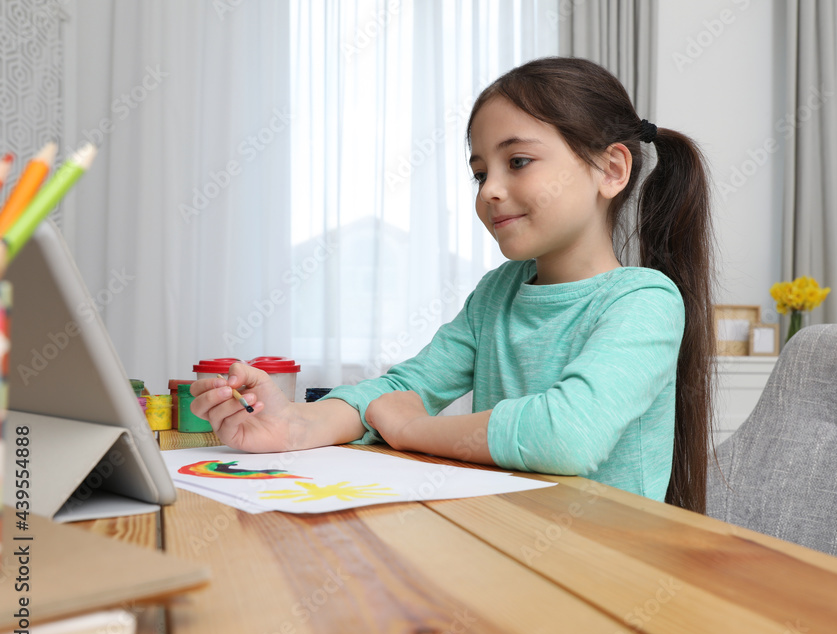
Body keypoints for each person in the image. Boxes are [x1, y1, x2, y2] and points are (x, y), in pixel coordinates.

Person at [191, 56, 714, 511]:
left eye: (519, 162)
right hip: (505, 544)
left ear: (611, 168)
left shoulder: (644, 301)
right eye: (481, 172)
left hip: (607, 576)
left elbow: (566, 435)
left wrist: (413, 430)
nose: (491, 191)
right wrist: (293, 426)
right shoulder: (498, 293)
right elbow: (402, 389)